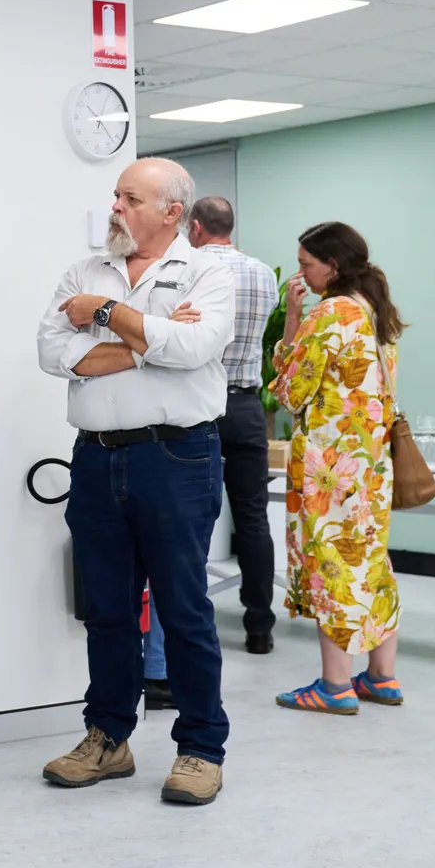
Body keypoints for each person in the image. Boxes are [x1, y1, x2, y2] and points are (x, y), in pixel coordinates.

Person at [35, 158, 235, 808]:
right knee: (108, 612)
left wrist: (104, 314)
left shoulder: (207, 273)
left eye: (131, 198)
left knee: (183, 609)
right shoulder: (83, 271)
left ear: (173, 212)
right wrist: (148, 339)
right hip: (96, 459)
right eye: (116, 195)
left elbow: (195, 349)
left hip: (176, 457)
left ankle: (200, 748)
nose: (116, 207)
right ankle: (108, 738)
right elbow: (52, 354)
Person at [270, 222, 405, 715]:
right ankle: (382, 677)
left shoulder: (330, 313)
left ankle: (335, 685)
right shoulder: (375, 310)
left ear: (333, 265)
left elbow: (289, 391)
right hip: (370, 463)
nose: (301, 274)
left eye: (306, 264)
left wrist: (292, 320)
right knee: (371, 563)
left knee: (332, 565)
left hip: (330, 467)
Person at [188, 195, 281, 655]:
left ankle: (193, 624)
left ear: (196, 227)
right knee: (252, 518)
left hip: (197, 405)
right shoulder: (263, 273)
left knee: (192, 518)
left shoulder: (190, 268)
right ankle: (259, 628)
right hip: (245, 407)